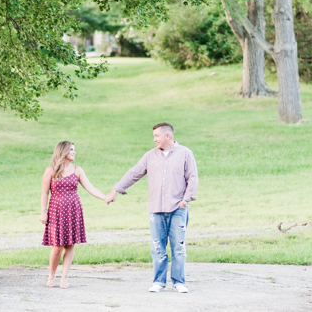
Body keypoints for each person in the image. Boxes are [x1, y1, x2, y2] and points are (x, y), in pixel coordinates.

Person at [104, 122, 198, 293]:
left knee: (178, 246)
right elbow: (134, 173)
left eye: (156, 136)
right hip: (155, 208)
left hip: (178, 207)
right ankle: (159, 282)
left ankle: (179, 282)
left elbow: (192, 177)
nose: (154, 139)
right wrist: (115, 190)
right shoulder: (150, 156)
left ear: (167, 136)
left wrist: (185, 200)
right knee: (157, 247)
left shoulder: (185, 154)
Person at [40, 141, 108, 288]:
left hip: (73, 210)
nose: (74, 152)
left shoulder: (77, 170)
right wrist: (43, 211)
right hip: (56, 210)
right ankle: (51, 275)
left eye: (74, 149)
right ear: (63, 151)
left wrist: (105, 197)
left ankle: (64, 277)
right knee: (57, 246)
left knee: (70, 245)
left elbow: (90, 187)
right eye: (71, 149)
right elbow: (45, 193)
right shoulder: (50, 170)